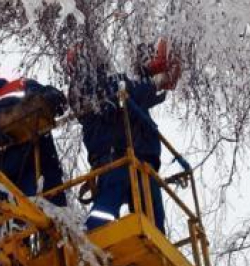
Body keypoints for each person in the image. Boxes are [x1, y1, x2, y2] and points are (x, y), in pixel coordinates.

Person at [66, 40, 180, 234]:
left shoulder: (111, 81)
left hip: (140, 160)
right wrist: (155, 81)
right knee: (106, 212)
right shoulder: (85, 86)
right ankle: (92, 239)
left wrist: (153, 78)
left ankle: (153, 256)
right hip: (114, 157)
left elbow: (140, 94)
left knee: (154, 223)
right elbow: (122, 93)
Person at [0, 60, 68, 208]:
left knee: (49, 219)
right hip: (3, 193)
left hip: (36, 173)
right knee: (10, 228)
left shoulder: (18, 87)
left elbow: (47, 97)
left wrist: (50, 96)